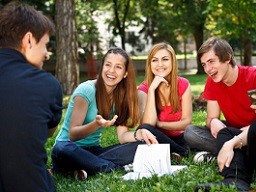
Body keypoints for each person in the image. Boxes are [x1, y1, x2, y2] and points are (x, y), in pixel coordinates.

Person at [194, 19, 256, 192]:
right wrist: (231, 142)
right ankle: (235, 179)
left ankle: (235, 155)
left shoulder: (255, 76)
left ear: (227, 58)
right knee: (225, 132)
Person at [51, 47, 158, 179]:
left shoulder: (121, 97)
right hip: (69, 149)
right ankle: (114, 168)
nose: (111, 71)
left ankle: (83, 168)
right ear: (102, 67)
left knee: (142, 145)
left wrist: (138, 134)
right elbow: (73, 134)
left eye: (118, 67)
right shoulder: (86, 90)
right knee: (62, 148)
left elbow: (122, 137)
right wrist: (96, 124)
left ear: (125, 73)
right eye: (108, 65)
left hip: (94, 152)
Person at [0, 2, 63, 192]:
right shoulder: (47, 84)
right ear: (28, 40)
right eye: (45, 45)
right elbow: (49, 132)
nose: (46, 54)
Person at [184, 37, 256, 163]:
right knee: (190, 133)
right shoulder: (213, 82)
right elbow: (211, 118)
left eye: (211, 61)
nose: (208, 69)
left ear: (227, 58)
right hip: (231, 132)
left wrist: (243, 134)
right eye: (204, 64)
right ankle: (237, 154)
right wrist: (214, 122)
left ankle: (230, 154)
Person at [137, 42, 192, 157]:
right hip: (157, 138)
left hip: (180, 138)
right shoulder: (143, 90)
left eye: (165, 59)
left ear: (172, 61)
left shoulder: (183, 84)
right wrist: (152, 90)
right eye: (155, 60)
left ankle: (174, 151)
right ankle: (180, 152)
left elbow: (186, 123)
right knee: (145, 128)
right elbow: (147, 125)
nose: (160, 64)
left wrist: (160, 124)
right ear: (150, 64)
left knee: (193, 132)